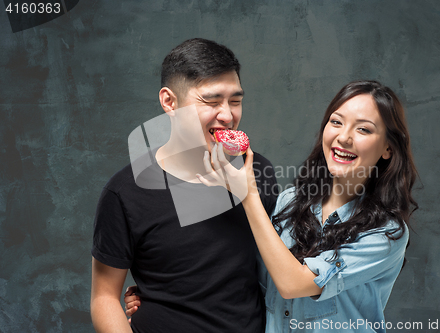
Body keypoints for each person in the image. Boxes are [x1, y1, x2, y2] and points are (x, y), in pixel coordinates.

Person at [127, 80, 419, 333]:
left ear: (388, 149)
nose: (343, 137)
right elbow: (236, 271)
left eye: (364, 130)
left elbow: (293, 284)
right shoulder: (289, 202)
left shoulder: (386, 233)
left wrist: (247, 194)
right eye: (337, 121)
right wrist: (160, 294)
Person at [90, 38, 277, 333]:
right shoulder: (125, 192)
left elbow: (277, 269)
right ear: (169, 102)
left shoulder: (258, 172)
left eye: (235, 101)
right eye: (211, 101)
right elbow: (104, 297)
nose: (228, 116)